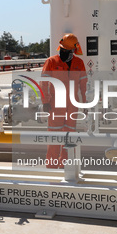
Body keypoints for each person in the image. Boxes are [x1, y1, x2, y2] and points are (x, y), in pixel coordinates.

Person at [40, 33, 88, 169]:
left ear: (73, 51)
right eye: (62, 49)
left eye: (66, 50)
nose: (63, 52)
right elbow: (44, 82)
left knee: (69, 136)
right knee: (55, 136)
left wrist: (85, 103)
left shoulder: (79, 63)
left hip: (73, 104)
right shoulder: (51, 61)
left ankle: (66, 166)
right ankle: (51, 166)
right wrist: (45, 101)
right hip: (56, 104)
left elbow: (84, 85)